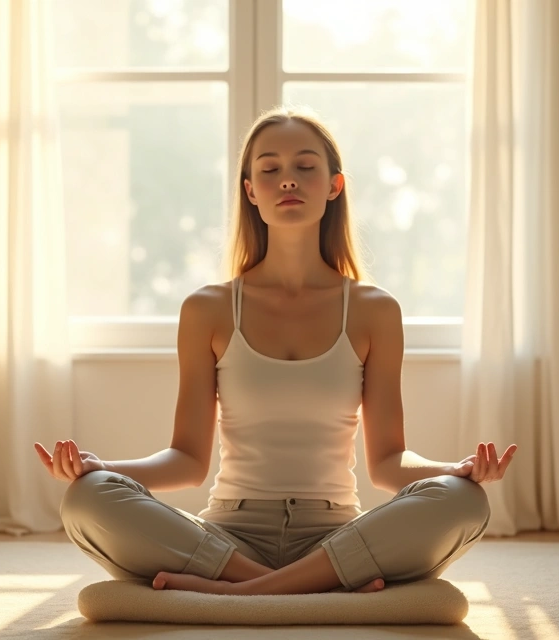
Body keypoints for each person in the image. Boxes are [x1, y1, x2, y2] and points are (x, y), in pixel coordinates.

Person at [35, 105, 517, 597]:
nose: (288, 180)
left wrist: (452, 471)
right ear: (251, 191)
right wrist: (105, 469)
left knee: (465, 500)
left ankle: (241, 592)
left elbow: (388, 462)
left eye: (305, 166)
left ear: (334, 186)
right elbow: (186, 460)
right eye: (270, 169)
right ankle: (296, 588)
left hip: (335, 536)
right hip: (228, 537)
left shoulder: (375, 311)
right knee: (86, 499)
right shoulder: (208, 308)